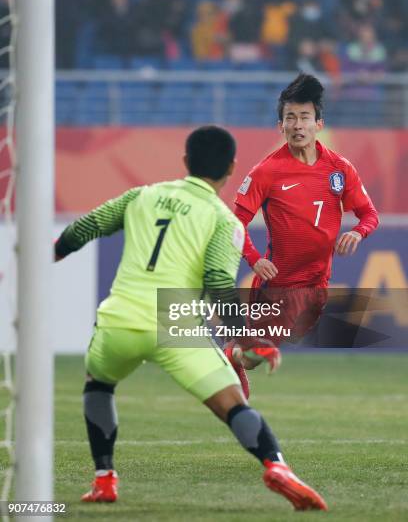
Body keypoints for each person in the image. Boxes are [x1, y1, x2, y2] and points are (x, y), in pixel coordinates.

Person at [55, 126, 327, 511]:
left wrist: (45, 258)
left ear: (185, 162)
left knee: (98, 384)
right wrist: (247, 338)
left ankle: (104, 480)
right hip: (175, 323)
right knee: (233, 405)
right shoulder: (224, 220)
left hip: (120, 317)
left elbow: (84, 229)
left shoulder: (142, 195)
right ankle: (276, 465)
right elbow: (217, 282)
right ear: (232, 168)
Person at [231, 74, 379, 373]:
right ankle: (226, 366)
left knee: (261, 352)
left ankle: (232, 354)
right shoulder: (267, 171)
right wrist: (254, 259)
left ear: (318, 124)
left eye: (304, 117)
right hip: (279, 286)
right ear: (280, 126)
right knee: (251, 359)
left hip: (318, 284)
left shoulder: (339, 168)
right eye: (290, 118)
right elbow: (233, 222)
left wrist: (358, 232)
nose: (298, 125)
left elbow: (369, 215)